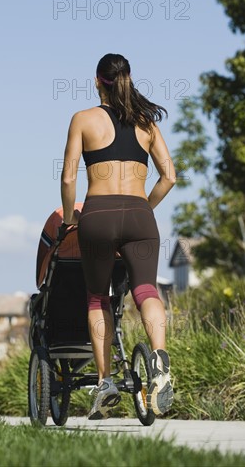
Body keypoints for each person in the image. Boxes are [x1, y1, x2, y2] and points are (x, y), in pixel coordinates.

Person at [60, 53, 176, 420]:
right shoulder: (147, 123)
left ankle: (106, 380)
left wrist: (68, 220)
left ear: (97, 80)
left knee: (97, 297)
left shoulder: (83, 119)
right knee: (146, 291)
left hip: (97, 215)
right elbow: (169, 176)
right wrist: (145, 209)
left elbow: (67, 178)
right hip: (140, 215)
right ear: (128, 79)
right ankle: (159, 360)